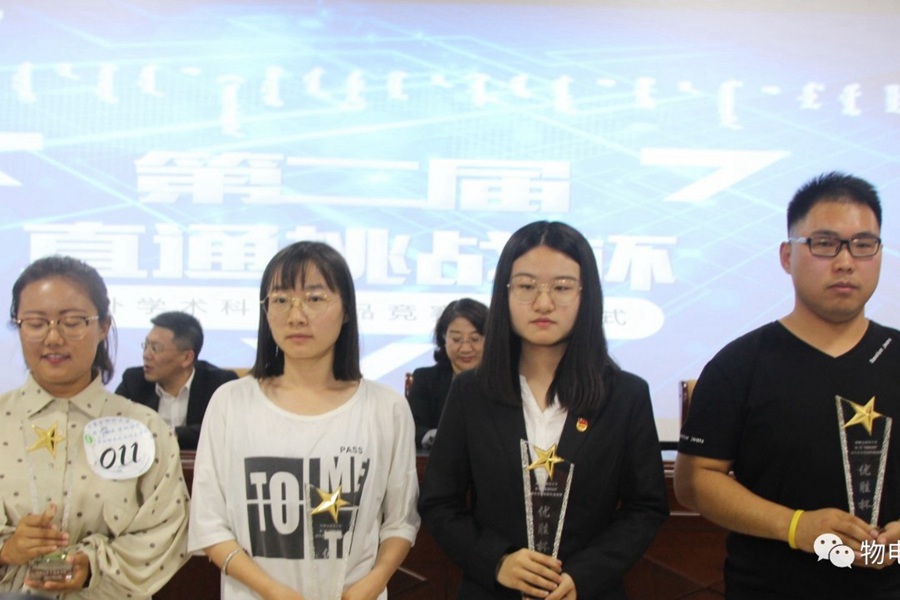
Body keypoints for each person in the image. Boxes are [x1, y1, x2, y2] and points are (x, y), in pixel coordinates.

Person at [674, 172, 900, 598]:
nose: (845, 261)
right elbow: (694, 481)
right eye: (825, 243)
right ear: (786, 255)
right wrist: (796, 526)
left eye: (863, 244)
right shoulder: (740, 364)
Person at [419, 221, 669, 599]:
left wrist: (583, 575)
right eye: (526, 286)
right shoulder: (471, 391)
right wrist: (497, 561)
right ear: (505, 293)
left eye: (562, 287)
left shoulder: (625, 395)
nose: (543, 303)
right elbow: (440, 502)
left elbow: (645, 508)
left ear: (586, 295)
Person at [188, 241, 420, 600]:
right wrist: (273, 591)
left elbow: (401, 520)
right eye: (281, 299)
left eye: (314, 298)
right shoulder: (230, 403)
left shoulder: (385, 408)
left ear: (346, 310)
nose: (296, 315)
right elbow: (209, 523)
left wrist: (373, 583)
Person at [0, 255, 189, 598]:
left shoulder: (143, 428)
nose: (53, 337)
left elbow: (167, 526)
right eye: (36, 323)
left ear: (103, 327)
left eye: (72, 322)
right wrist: (6, 550)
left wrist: (93, 564)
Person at [115, 311, 239, 450]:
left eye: (155, 348)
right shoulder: (133, 380)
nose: (146, 355)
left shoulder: (219, 383)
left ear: (187, 358)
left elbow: (224, 430)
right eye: (146, 345)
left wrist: (168, 434)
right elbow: (111, 423)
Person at [408, 298, 488, 449]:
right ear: (444, 338)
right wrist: (434, 436)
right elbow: (412, 428)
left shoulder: (505, 382)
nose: (465, 348)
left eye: (474, 339)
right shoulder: (425, 379)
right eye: (456, 339)